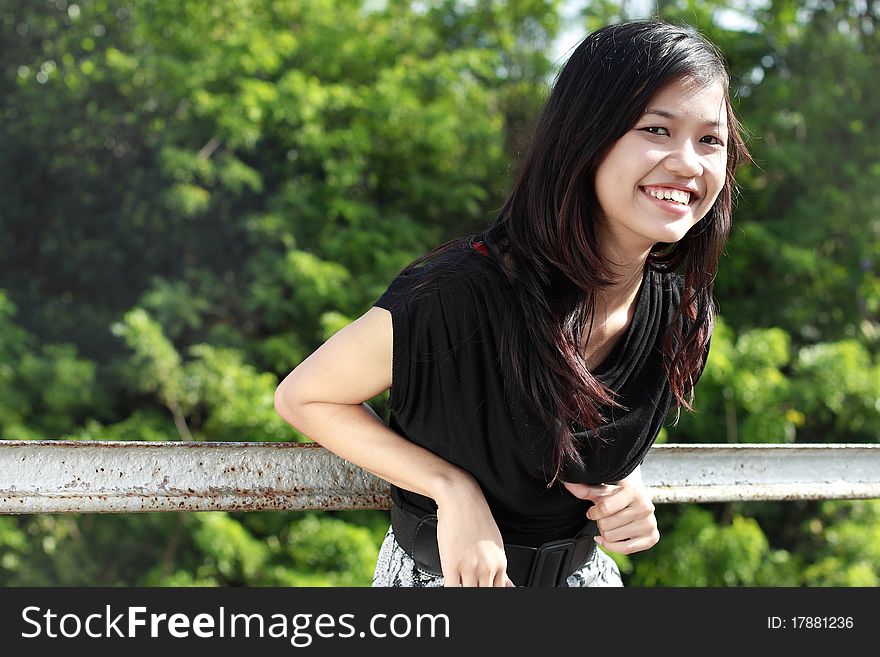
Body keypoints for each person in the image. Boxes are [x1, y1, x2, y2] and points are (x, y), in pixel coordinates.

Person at [274, 19, 750, 587]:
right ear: (585, 139)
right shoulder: (461, 294)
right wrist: (450, 489)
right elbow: (306, 397)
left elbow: (570, 434)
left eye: (710, 139)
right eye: (655, 129)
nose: (688, 163)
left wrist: (624, 482)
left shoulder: (680, 308)